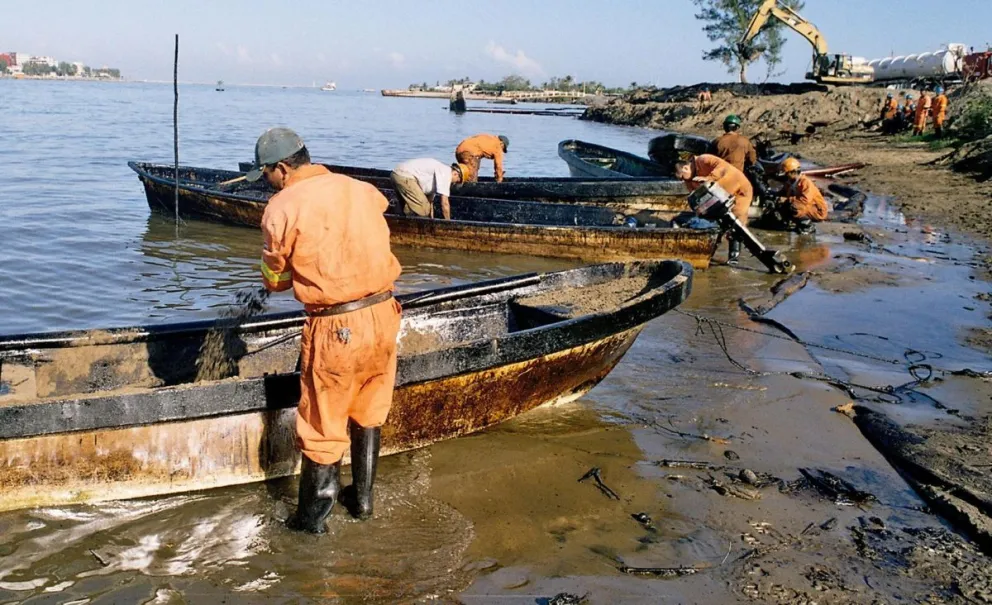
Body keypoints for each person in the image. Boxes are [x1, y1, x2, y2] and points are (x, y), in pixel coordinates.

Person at [250, 127, 403, 534]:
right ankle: (363, 501)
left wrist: (272, 273)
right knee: (369, 408)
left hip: (337, 326)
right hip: (385, 313)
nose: (266, 183)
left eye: (265, 175)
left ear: (281, 169)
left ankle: (311, 523)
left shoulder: (281, 207)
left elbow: (275, 281)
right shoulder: (361, 189)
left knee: (322, 422)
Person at [674, 154, 753, 265]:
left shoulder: (704, 159)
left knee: (736, 223)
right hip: (719, 196)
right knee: (718, 222)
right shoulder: (690, 181)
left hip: (739, 189)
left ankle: (734, 257)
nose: (683, 180)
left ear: (686, 168)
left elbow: (722, 168)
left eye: (682, 177)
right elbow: (694, 196)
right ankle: (709, 252)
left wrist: (709, 178)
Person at [390, 159, 467, 220]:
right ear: (456, 174)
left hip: (396, 174)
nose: (455, 183)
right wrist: (448, 223)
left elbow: (429, 201)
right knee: (423, 209)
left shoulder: (437, 175)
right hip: (404, 176)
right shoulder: (446, 173)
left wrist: (431, 219)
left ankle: (400, 220)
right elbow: (445, 203)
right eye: (457, 181)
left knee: (410, 207)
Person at [770, 157, 829, 234]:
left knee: (794, 207)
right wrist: (773, 195)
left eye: (787, 173)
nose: (786, 175)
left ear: (793, 172)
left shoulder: (806, 183)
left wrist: (787, 200)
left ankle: (807, 225)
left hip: (817, 210)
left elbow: (805, 200)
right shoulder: (789, 183)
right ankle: (787, 223)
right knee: (782, 205)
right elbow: (782, 193)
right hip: (805, 206)